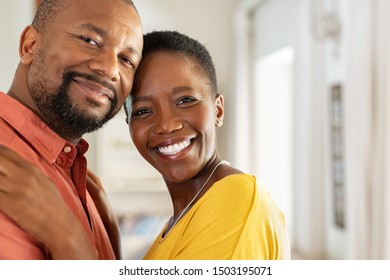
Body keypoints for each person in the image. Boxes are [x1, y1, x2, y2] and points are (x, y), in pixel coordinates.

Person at [1, 30, 290, 260]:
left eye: (185, 100)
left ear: (218, 110)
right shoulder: (185, 215)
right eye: (142, 111)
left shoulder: (235, 201)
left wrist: (66, 235)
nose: (165, 125)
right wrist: (109, 242)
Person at [0, 0, 143, 260]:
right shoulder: (8, 169)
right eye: (89, 40)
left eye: (126, 59)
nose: (110, 69)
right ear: (30, 45)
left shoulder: (86, 187)